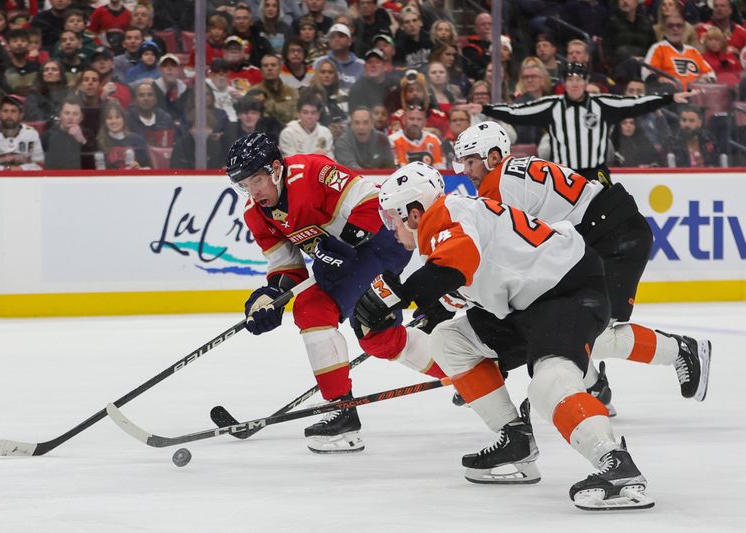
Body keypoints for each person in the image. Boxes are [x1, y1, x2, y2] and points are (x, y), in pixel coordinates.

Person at [353, 161, 653, 510]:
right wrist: (427, 307)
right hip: (527, 302)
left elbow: (454, 264)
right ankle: (516, 440)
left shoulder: (447, 215)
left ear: (415, 213)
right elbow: (456, 279)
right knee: (450, 340)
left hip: (566, 290)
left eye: (393, 217)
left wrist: (400, 295)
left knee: (549, 382)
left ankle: (617, 466)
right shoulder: (445, 226)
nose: (391, 228)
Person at [451, 121, 710, 408]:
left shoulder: (498, 187)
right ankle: (595, 388)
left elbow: (501, 257)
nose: (466, 171)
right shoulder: (514, 173)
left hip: (612, 236)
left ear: (494, 157)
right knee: (568, 320)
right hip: (601, 234)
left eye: (471, 161)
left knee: (590, 330)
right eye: (463, 162)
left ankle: (681, 350)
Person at [225, 132, 443, 453]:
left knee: (313, 308)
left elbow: (373, 203)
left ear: (276, 169)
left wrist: (342, 244)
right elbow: (288, 269)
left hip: (382, 241)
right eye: (244, 184)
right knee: (378, 338)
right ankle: (467, 373)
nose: (253, 191)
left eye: (257, 179)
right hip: (347, 263)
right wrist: (268, 297)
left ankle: (342, 413)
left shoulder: (313, 171)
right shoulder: (255, 214)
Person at [477, 62, 696, 186]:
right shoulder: (551, 105)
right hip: (563, 174)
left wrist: (669, 98)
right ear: (564, 83)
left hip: (596, 174)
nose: (575, 83)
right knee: (565, 224)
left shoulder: (602, 103)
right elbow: (516, 112)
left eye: (579, 79)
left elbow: (636, 103)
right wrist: (485, 108)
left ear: (586, 82)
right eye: (570, 79)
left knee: (608, 217)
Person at [644, 12, 716, 90]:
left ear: (684, 29)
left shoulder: (693, 51)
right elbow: (646, 73)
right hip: (670, 95)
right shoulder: (658, 48)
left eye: (679, 26)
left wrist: (705, 79)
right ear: (664, 30)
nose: (675, 29)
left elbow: (710, 74)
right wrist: (659, 80)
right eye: (670, 26)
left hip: (695, 95)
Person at [0, 95, 44, 170]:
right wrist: (5, 169)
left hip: (24, 179)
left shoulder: (31, 134)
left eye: (13, 111)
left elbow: (39, 164)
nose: (9, 115)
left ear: (21, 115)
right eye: (5, 111)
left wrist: (21, 168)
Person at [96, 100, 150, 169]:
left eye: (117, 117)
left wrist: (139, 168)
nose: (113, 121)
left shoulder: (138, 140)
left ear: (124, 119)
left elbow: (149, 168)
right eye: (109, 118)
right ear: (105, 121)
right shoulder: (99, 142)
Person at [279, 93, 334, 158]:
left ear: (318, 114)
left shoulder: (325, 132)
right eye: (305, 112)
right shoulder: (287, 134)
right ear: (299, 114)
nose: (309, 116)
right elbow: (290, 162)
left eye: (313, 113)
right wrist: (314, 157)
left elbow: (330, 160)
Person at [42, 97, 92, 169]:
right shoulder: (49, 135)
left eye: (75, 114)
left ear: (81, 117)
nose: (70, 117)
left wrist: (81, 139)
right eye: (67, 113)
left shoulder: (88, 134)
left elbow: (93, 163)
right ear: (60, 115)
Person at [388, 104, 444, 168]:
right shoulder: (392, 140)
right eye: (411, 119)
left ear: (425, 122)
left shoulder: (434, 140)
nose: (415, 123)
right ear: (403, 120)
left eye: (419, 119)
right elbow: (393, 170)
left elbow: (441, 170)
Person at [314, 23, 364, 92]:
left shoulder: (362, 65)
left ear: (349, 41)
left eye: (341, 36)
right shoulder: (319, 62)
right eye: (333, 37)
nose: (336, 39)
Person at [252, 54, 299, 125]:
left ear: (280, 69)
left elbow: (298, 115)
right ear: (261, 71)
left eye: (273, 65)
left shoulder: (292, 91)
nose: (269, 68)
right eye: (265, 66)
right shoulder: (254, 92)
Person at [126, 81, 176, 148]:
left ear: (155, 100)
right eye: (141, 95)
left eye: (150, 95)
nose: (146, 99)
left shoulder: (165, 118)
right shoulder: (127, 118)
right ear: (135, 100)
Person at [4, 28, 41, 97]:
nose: (19, 44)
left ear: (28, 45)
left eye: (23, 41)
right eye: (15, 41)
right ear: (8, 46)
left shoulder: (37, 67)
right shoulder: (3, 68)